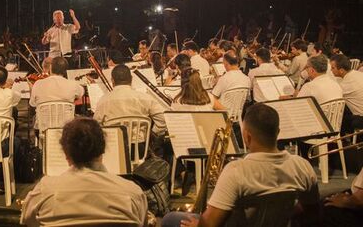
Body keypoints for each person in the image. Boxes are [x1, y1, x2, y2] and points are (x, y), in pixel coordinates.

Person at [162, 103, 320, 227]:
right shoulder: (303, 166)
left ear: (247, 136)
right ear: (278, 132)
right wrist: (280, 211)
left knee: (171, 219)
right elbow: (312, 211)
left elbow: (209, 224)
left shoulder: (236, 171)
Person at [20, 117, 148, 226]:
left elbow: (28, 221)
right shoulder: (132, 192)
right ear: (102, 150)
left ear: (66, 154)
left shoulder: (46, 189)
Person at [94, 64, 167, 143]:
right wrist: (151, 133)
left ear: (112, 80)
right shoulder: (145, 98)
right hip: (140, 148)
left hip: (114, 148)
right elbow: (163, 120)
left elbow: (95, 126)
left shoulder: (103, 100)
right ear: (131, 79)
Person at [330, 54, 363, 133]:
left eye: (333, 68)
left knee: (334, 116)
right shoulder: (358, 73)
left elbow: (332, 96)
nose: (331, 70)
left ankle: (337, 140)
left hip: (361, 118)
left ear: (341, 70)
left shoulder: (347, 84)